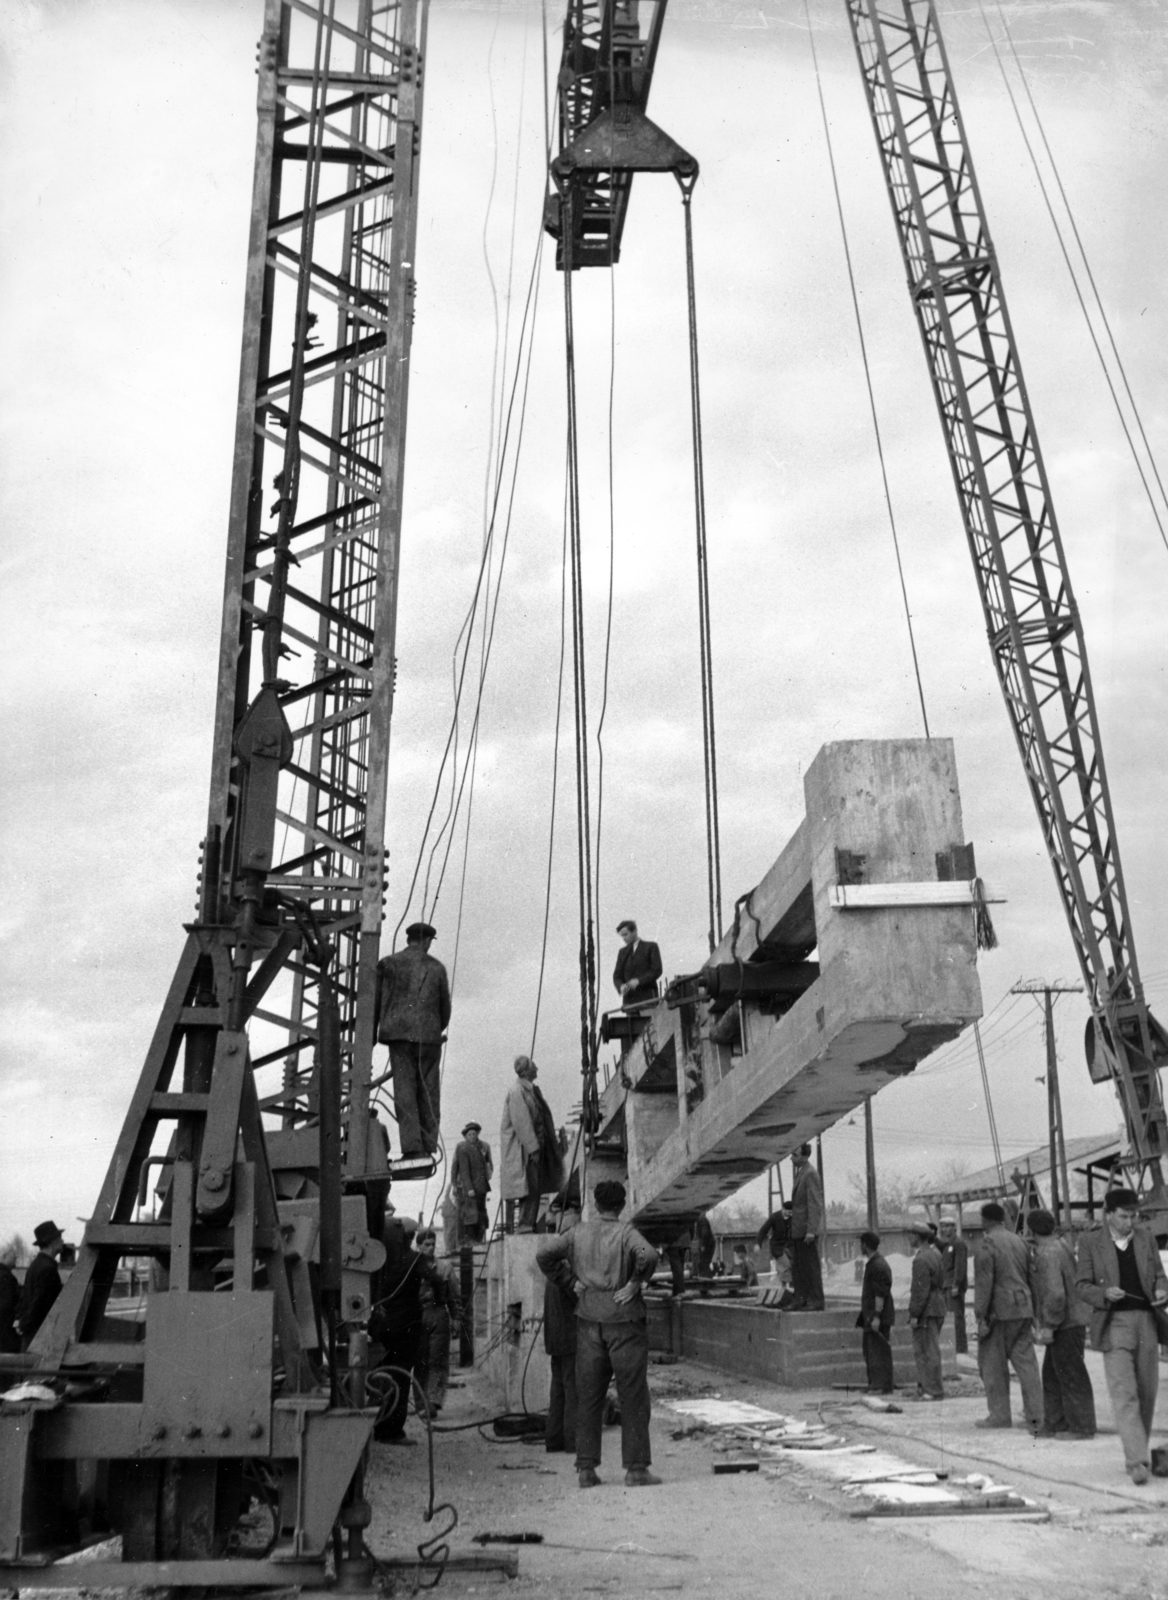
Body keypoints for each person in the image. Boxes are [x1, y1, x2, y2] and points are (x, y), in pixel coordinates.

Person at [536, 1179, 660, 1489]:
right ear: (621, 1205)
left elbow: (544, 1255)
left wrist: (569, 1281)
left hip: (588, 1319)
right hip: (624, 1320)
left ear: (595, 1203)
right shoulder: (625, 1232)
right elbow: (649, 1255)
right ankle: (635, 1469)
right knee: (633, 1394)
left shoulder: (578, 1232)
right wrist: (634, 1283)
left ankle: (586, 1470)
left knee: (588, 1395)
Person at [1075, 1186, 1168, 1484]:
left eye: (1134, 1216)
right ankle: (1137, 1460)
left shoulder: (1146, 1239)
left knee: (1146, 1392)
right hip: (1114, 1324)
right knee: (1123, 1393)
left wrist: (1161, 1287)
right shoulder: (1090, 1242)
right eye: (1125, 1216)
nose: (1131, 1222)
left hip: (1147, 1322)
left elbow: (1158, 1273)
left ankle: (1136, 1449)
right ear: (1109, 1214)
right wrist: (1104, 1293)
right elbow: (1081, 1286)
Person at [376, 922, 451, 1158]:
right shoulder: (436, 968)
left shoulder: (388, 963)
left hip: (398, 1038)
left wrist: (371, 1037)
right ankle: (428, 1145)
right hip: (428, 1039)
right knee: (429, 1092)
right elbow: (445, 1010)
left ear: (409, 939)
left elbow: (375, 1003)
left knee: (405, 1093)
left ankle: (411, 1148)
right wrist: (432, 1028)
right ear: (427, 941)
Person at [973, 1200, 1043, 1432]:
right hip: (1023, 1310)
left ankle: (1000, 1415)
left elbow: (984, 1284)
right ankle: (1036, 1416)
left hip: (999, 1313)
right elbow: (1032, 1277)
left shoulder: (987, 1244)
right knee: (1027, 1365)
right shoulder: (1019, 1241)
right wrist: (1034, 1313)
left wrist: (980, 1316)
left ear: (985, 1220)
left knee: (992, 1365)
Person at [1026, 1209, 1095, 1439]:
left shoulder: (1047, 1253)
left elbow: (1056, 1295)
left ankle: (1082, 1427)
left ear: (1032, 1231)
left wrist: (1049, 1326)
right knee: (1053, 1374)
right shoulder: (1062, 1244)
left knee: (1071, 1375)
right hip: (1072, 1320)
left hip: (1064, 1323)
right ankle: (1056, 1423)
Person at [370, 1213, 432, 1443]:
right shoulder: (413, 1260)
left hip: (385, 1327)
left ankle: (381, 1426)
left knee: (385, 1377)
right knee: (401, 1379)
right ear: (409, 1238)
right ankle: (392, 1431)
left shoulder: (382, 1260)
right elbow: (435, 1276)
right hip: (405, 1330)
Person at [500, 1056, 562, 1232]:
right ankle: (525, 1225)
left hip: (533, 1147)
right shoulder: (517, 1091)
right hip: (525, 1150)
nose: (537, 1069)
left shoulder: (529, 1090)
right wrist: (533, 1147)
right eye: (534, 1066)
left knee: (535, 1186)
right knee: (530, 1186)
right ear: (527, 1071)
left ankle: (528, 1224)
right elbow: (522, 1122)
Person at [543, 1191, 581, 1454]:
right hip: (570, 1338)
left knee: (557, 1390)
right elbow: (577, 1295)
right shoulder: (567, 1266)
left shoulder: (553, 1264)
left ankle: (554, 1439)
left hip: (555, 1337)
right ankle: (572, 1442)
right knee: (573, 1389)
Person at [413, 1227, 459, 1415]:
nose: (431, 1248)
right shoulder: (412, 1268)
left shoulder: (445, 1268)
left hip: (439, 1314)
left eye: (433, 1244)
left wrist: (456, 1318)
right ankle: (421, 1402)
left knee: (438, 1360)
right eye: (426, 1245)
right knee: (420, 1361)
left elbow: (454, 1296)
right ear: (419, 1246)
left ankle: (433, 1401)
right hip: (417, 1317)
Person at [907, 1221, 946, 1401]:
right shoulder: (936, 1254)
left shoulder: (921, 1259)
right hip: (937, 1306)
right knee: (932, 1349)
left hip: (927, 1310)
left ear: (916, 1236)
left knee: (925, 1351)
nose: (909, 1238)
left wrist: (914, 1314)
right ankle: (929, 1387)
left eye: (910, 1235)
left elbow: (919, 1290)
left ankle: (931, 1390)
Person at [15, 1221, 64, 1350]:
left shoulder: (36, 1265)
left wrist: (21, 1322)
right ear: (52, 1242)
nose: (63, 1241)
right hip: (40, 1337)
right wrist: (25, 1324)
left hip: (31, 1335)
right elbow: (40, 1304)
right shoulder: (48, 1269)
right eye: (59, 1238)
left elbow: (26, 1298)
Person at [857, 1230, 895, 1394]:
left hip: (877, 1317)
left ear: (865, 1245)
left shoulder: (878, 1265)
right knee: (871, 1351)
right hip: (871, 1316)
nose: (860, 1247)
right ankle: (876, 1383)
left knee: (878, 1352)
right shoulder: (874, 1263)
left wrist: (877, 1317)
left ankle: (881, 1386)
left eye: (861, 1244)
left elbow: (880, 1294)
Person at [789, 1145, 825, 1311]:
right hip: (798, 1230)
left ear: (804, 1156)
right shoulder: (801, 1173)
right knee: (798, 1268)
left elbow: (815, 1203)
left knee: (810, 1267)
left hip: (806, 1232)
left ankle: (815, 1300)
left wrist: (811, 1229)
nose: (791, 1158)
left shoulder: (810, 1173)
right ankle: (800, 1299)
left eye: (794, 1155)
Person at [452, 1122, 493, 1244]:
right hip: (469, 1188)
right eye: (469, 1134)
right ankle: (468, 1238)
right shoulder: (463, 1149)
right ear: (465, 1136)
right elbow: (463, 1171)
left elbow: (488, 1165)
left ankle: (478, 1238)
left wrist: (486, 1179)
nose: (472, 1136)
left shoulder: (483, 1147)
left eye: (474, 1134)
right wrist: (468, 1187)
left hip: (481, 1187)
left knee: (480, 1213)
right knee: (470, 1213)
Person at [612, 920, 663, 1010]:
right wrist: (621, 986)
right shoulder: (622, 952)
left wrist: (639, 981)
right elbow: (617, 976)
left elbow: (656, 970)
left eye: (625, 934)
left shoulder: (651, 947)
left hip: (648, 1000)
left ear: (635, 931)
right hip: (629, 1002)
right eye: (622, 936)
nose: (624, 938)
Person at [938, 1217, 969, 1356]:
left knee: (957, 1317)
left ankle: (960, 1346)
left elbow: (960, 1266)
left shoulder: (958, 1244)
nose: (944, 1229)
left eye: (947, 1226)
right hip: (946, 1285)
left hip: (953, 1286)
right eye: (942, 1226)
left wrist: (956, 1284)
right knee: (949, 1317)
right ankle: (953, 1345)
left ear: (954, 1227)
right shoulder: (946, 1244)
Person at [757, 1202, 793, 1279]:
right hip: (777, 1247)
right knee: (788, 1265)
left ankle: (787, 1285)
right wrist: (758, 1243)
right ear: (783, 1209)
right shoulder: (774, 1217)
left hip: (789, 1246)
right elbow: (763, 1230)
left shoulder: (793, 1217)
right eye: (789, 1212)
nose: (791, 1214)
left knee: (792, 1266)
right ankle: (786, 1284)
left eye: (792, 1212)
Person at [0, 1241, 21, 1354]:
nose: (16, 1257)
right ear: (4, 1257)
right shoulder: (7, 1278)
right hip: (6, 1336)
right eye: (13, 1254)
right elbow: (8, 1306)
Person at [694, 1214, 716, 1279]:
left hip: (708, 1244)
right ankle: (706, 1279)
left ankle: (706, 1281)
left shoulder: (701, 1219)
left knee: (704, 1263)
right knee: (703, 1263)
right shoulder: (699, 1220)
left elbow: (705, 1233)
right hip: (708, 1243)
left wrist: (703, 1245)